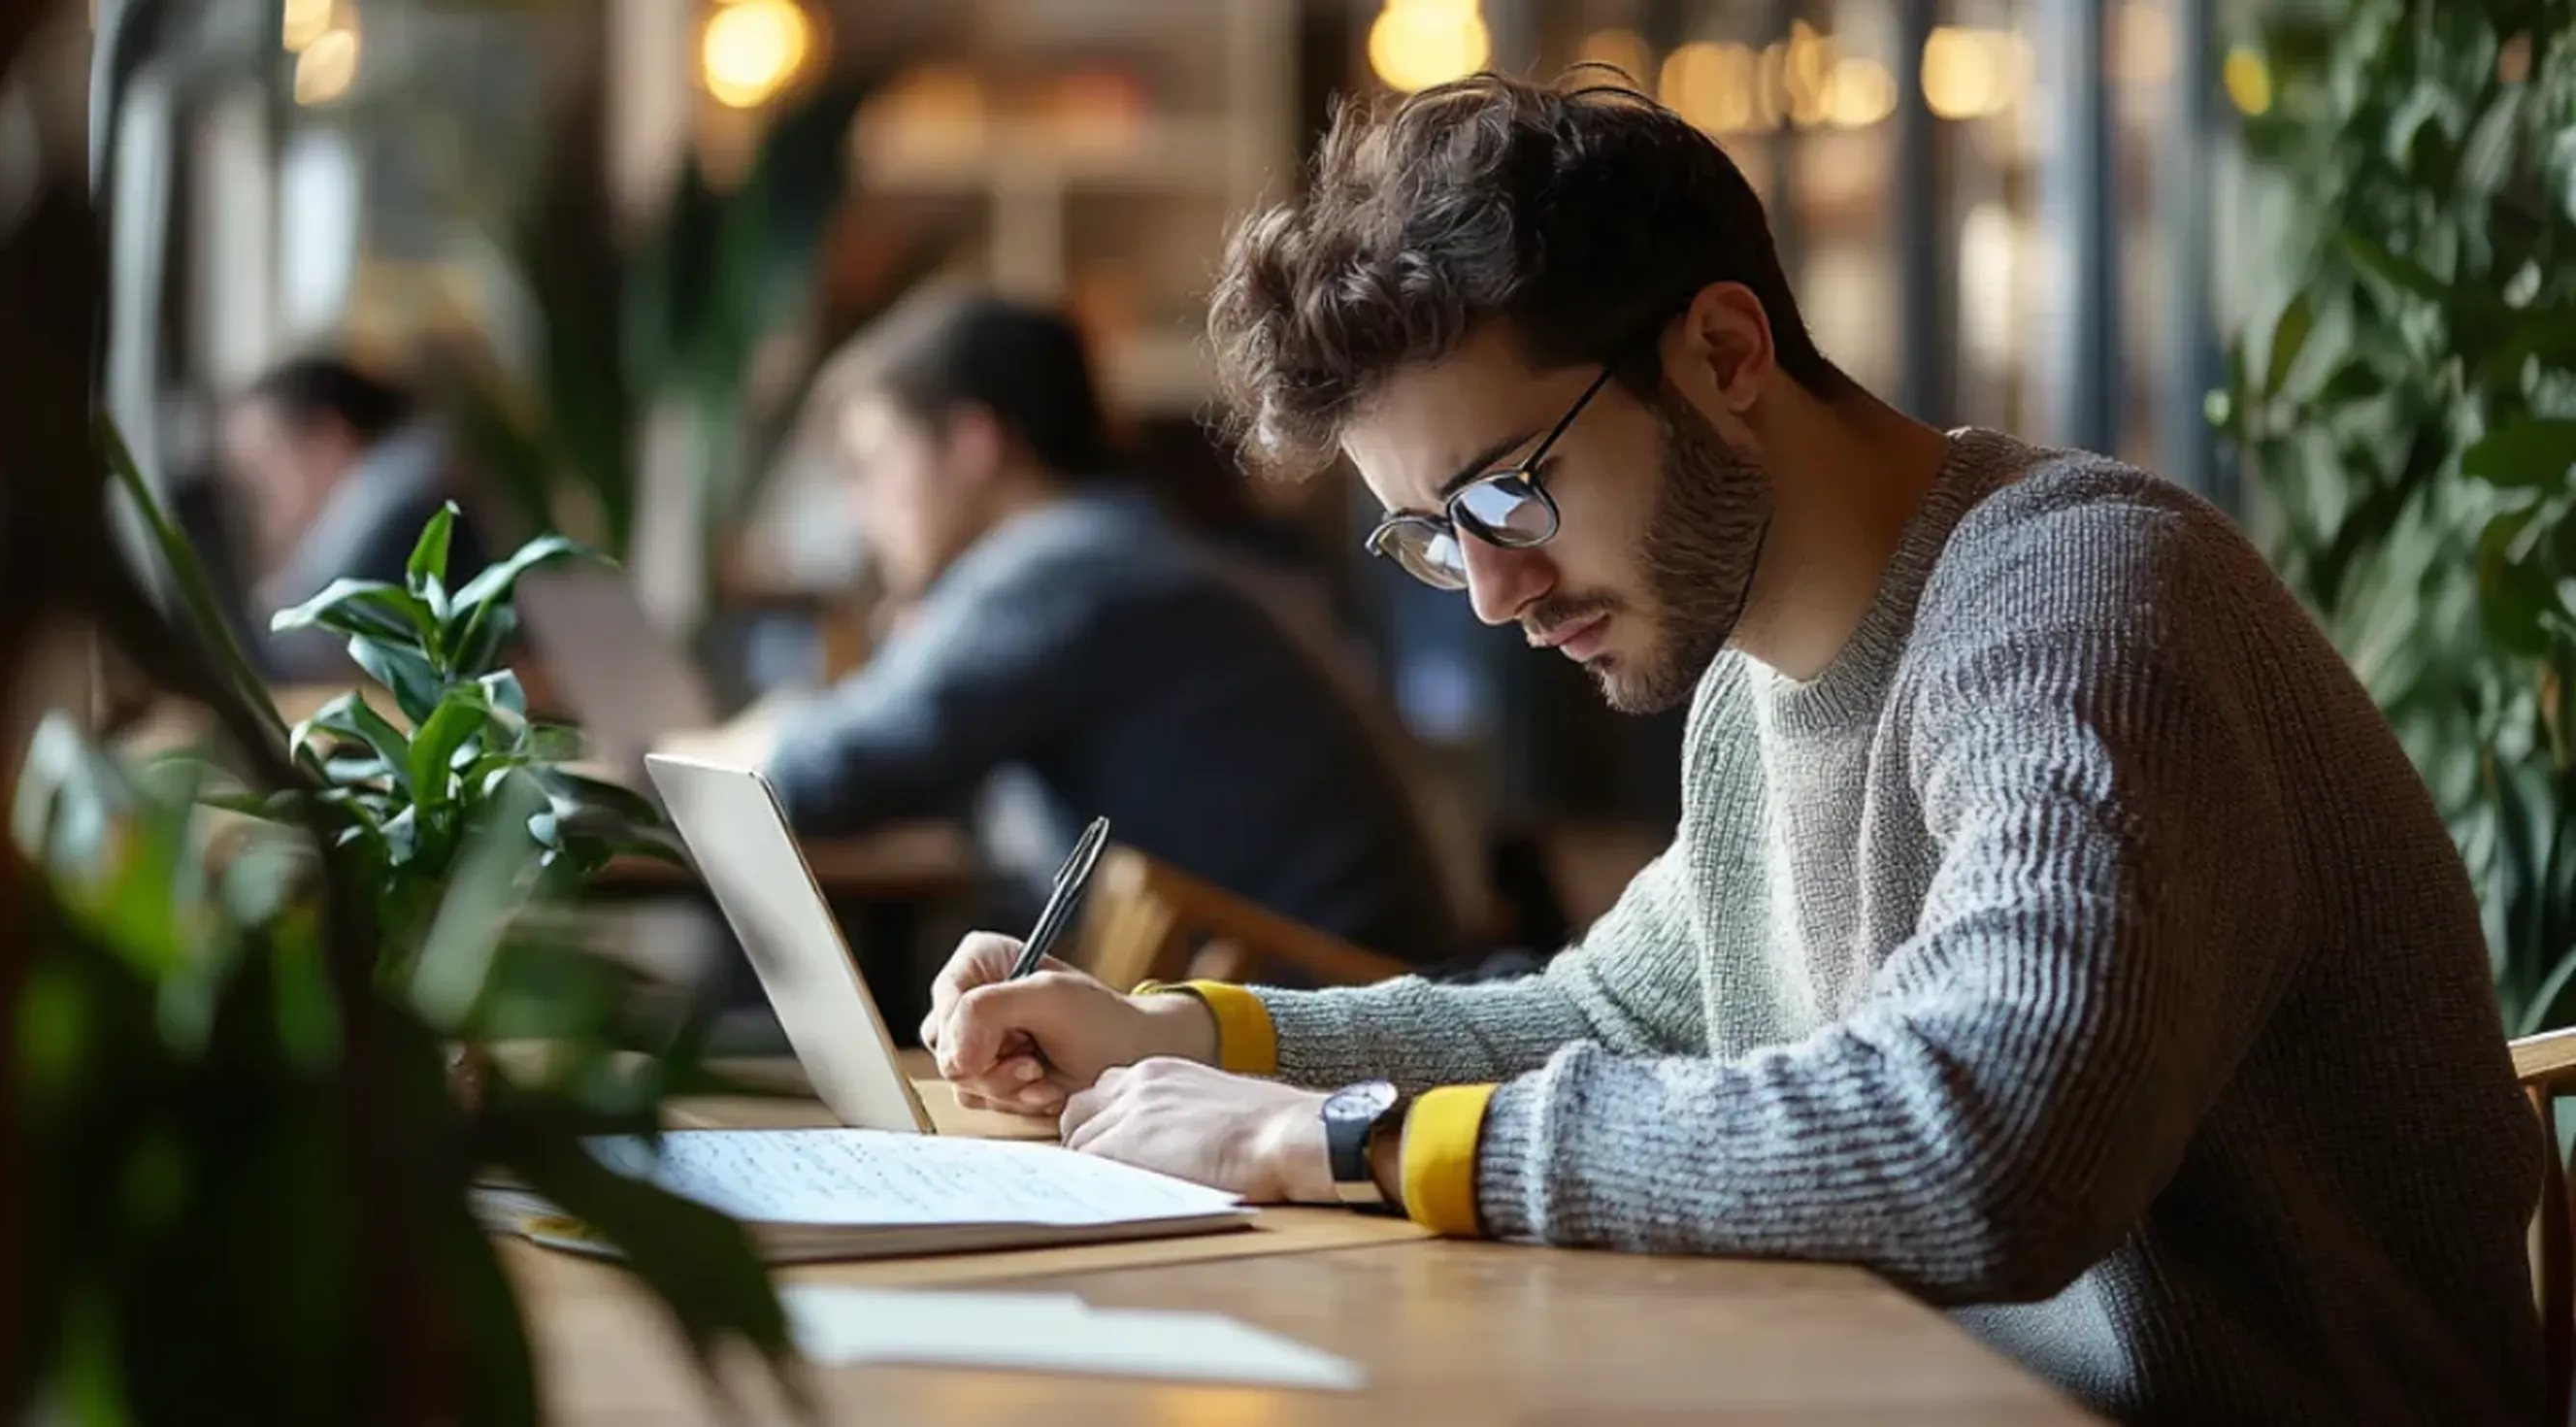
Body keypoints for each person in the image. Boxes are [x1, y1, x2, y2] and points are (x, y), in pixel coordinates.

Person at [918, 74, 2539, 1426]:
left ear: (1724, 354)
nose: (1489, 591)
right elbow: (1606, 1014)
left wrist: (1342, 1146)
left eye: (1503, 496)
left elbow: (1987, 1146)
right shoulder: (1762, 682)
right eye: (1427, 536)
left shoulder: (2088, 610)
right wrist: (1190, 1041)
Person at [707, 290, 1462, 971]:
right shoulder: (1112, 547)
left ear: (973, 444)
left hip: (1321, 1001)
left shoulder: (1059, 568)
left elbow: (827, 777)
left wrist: (689, 753)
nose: (863, 510)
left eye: (873, 464)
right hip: (1319, 969)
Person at [219, 355, 486, 680]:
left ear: (329, 440)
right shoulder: (417, 472)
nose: (262, 509)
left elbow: (299, 650)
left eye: (261, 476)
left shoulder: (397, 498)